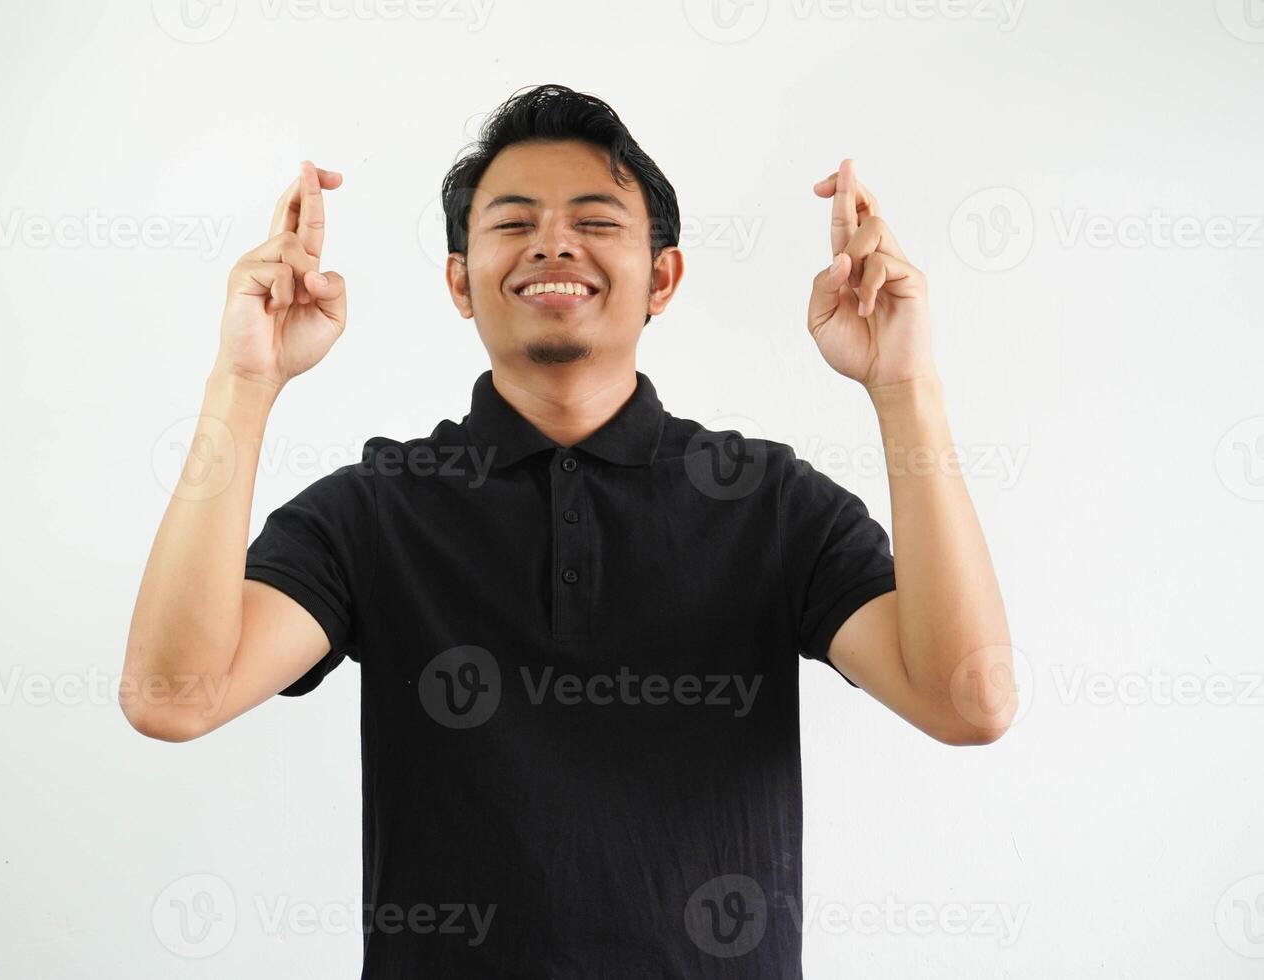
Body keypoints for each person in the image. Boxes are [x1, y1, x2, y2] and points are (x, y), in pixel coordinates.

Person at [122, 83, 1015, 978]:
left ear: (662, 278)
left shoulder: (768, 502)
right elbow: (173, 696)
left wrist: (905, 390)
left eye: (595, 220)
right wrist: (244, 383)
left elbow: (968, 703)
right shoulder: (377, 509)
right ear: (459, 281)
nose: (553, 242)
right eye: (512, 224)